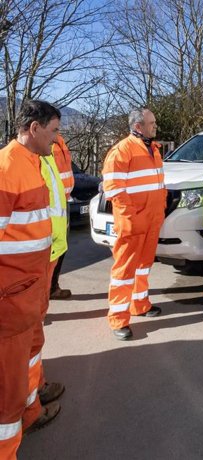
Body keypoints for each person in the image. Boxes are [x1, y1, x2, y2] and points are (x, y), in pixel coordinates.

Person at [0, 100, 62, 458]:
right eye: (53, 130)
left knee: (30, 356)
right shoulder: (8, 166)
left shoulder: (33, 162)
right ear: (34, 128)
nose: (57, 138)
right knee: (7, 391)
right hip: (11, 297)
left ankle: (31, 410)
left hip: (30, 289)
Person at [102, 108, 166, 340]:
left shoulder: (153, 149)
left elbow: (156, 185)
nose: (155, 126)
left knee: (143, 266)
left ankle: (140, 304)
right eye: (152, 123)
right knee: (124, 271)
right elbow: (114, 190)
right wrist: (131, 219)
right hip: (133, 223)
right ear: (138, 127)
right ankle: (118, 319)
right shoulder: (122, 150)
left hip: (151, 220)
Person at [48, 134, 74, 299]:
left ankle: (52, 287)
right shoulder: (44, 143)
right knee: (49, 251)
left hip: (63, 202)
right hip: (50, 204)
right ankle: (46, 291)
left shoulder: (59, 141)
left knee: (60, 248)